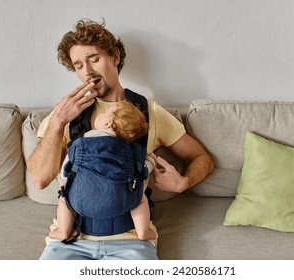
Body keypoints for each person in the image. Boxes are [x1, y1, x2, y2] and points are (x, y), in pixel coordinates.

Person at [27, 18, 214, 260]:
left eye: (94, 59)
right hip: (70, 239)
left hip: (131, 240)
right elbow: (40, 180)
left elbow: (202, 158)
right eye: (79, 65)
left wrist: (183, 182)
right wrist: (57, 123)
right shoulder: (64, 114)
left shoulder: (148, 111)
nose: (88, 72)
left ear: (114, 57)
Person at [50, 101, 156, 242]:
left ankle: (62, 231)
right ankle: (143, 231)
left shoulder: (80, 143)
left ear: (108, 123)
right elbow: (142, 171)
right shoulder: (129, 150)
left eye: (105, 112)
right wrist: (152, 161)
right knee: (141, 199)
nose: (101, 113)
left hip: (81, 202)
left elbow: (67, 169)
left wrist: (62, 183)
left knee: (63, 199)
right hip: (120, 202)